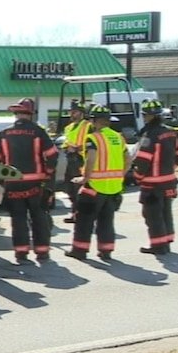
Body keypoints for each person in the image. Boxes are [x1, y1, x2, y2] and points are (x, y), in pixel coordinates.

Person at [0, 98, 59, 263]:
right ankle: (42, 252)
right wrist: (47, 174)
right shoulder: (39, 132)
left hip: (13, 184)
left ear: (16, 114)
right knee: (39, 218)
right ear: (31, 114)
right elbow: (52, 155)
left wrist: (1, 180)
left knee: (18, 219)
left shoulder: (4, 134)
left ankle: (21, 253)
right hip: (36, 184)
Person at [65, 104, 131, 261]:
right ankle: (106, 251)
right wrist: (120, 175)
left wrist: (85, 178)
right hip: (114, 188)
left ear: (93, 121)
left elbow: (91, 160)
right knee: (106, 221)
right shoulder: (119, 137)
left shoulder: (93, 138)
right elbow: (128, 160)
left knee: (84, 220)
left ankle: (79, 251)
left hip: (94, 187)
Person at [132, 99, 178, 255]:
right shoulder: (172, 132)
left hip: (152, 185)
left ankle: (158, 246)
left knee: (152, 215)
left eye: (144, 115)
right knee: (166, 213)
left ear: (149, 116)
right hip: (169, 182)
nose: (144, 118)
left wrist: (137, 176)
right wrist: (170, 169)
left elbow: (143, 160)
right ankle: (167, 241)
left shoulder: (150, 135)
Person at [61, 100, 92, 224]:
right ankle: (75, 213)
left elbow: (92, 144)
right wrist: (66, 147)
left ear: (81, 113)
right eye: (71, 112)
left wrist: (78, 148)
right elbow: (66, 142)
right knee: (70, 188)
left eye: (75, 112)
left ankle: (80, 215)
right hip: (70, 159)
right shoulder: (68, 127)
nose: (72, 114)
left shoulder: (88, 126)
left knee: (79, 189)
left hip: (81, 160)